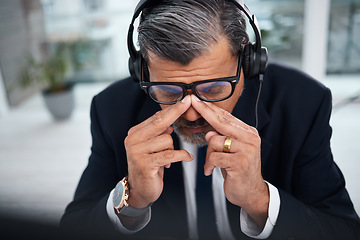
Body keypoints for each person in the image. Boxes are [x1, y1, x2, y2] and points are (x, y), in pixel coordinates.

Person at [60, 0, 360, 239]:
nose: (191, 113)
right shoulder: (110, 108)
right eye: (166, 90)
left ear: (248, 62)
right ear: (141, 69)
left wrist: (259, 199)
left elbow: (344, 230)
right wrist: (132, 198)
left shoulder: (304, 102)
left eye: (214, 89)